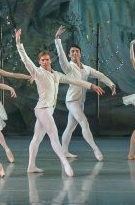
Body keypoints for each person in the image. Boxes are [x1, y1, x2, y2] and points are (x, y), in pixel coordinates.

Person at [15, 29, 104, 177]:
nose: (45, 62)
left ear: (50, 60)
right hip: (42, 109)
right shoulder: (37, 72)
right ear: (39, 62)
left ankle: (31, 166)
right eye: (42, 60)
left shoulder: (56, 75)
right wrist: (19, 43)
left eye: (47, 59)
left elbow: (73, 80)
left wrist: (91, 86)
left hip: (48, 110)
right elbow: (25, 60)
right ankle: (66, 164)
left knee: (36, 138)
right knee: (53, 135)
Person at [55, 25, 117, 161]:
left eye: (77, 51)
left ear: (80, 54)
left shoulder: (86, 69)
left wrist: (111, 84)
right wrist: (58, 39)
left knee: (70, 127)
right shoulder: (68, 67)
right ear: (69, 55)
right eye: (72, 52)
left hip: (80, 102)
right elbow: (60, 57)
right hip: (71, 101)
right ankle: (96, 150)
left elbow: (100, 75)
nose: (75, 53)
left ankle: (64, 151)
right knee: (84, 122)